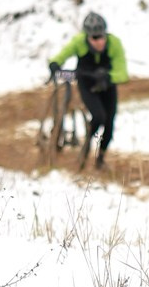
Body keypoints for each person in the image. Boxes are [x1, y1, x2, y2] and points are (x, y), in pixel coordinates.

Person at [47, 11, 127, 169]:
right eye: (94, 38)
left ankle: (100, 159)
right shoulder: (79, 42)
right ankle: (88, 141)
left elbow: (123, 72)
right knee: (99, 116)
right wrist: (55, 63)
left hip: (107, 84)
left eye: (102, 36)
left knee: (109, 123)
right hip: (86, 84)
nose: (99, 41)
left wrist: (108, 77)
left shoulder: (114, 44)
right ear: (87, 36)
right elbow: (62, 55)